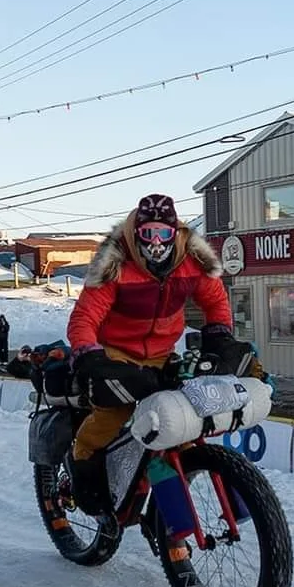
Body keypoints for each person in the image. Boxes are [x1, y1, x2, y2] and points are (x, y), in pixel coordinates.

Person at [66, 193, 251, 515]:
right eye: (147, 233)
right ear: (135, 233)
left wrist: (220, 333)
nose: (155, 242)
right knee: (113, 415)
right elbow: (85, 316)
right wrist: (87, 352)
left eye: (163, 233)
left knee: (181, 423)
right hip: (115, 352)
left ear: (175, 233)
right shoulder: (115, 262)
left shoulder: (192, 261)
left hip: (162, 353)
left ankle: (167, 511)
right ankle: (82, 459)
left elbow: (215, 301)